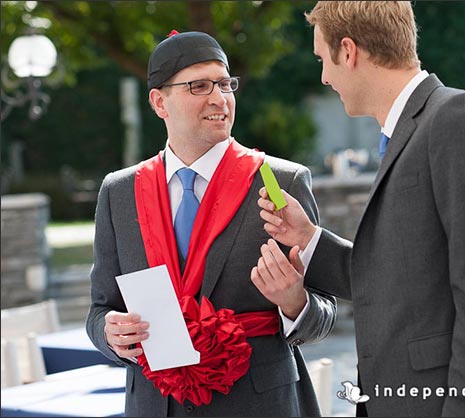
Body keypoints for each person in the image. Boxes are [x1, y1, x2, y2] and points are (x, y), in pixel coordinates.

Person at [253, 2, 465, 416]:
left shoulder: (458, 119)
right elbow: (397, 281)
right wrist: (307, 238)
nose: (324, 76)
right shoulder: (412, 133)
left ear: (349, 51)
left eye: (322, 60)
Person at [86, 30, 336, 417]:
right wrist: (109, 333)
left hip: (259, 404)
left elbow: (324, 311)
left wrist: (294, 303)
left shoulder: (281, 182)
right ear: (159, 102)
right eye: (199, 86)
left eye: (224, 84)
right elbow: (100, 309)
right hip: (155, 404)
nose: (219, 99)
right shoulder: (118, 192)